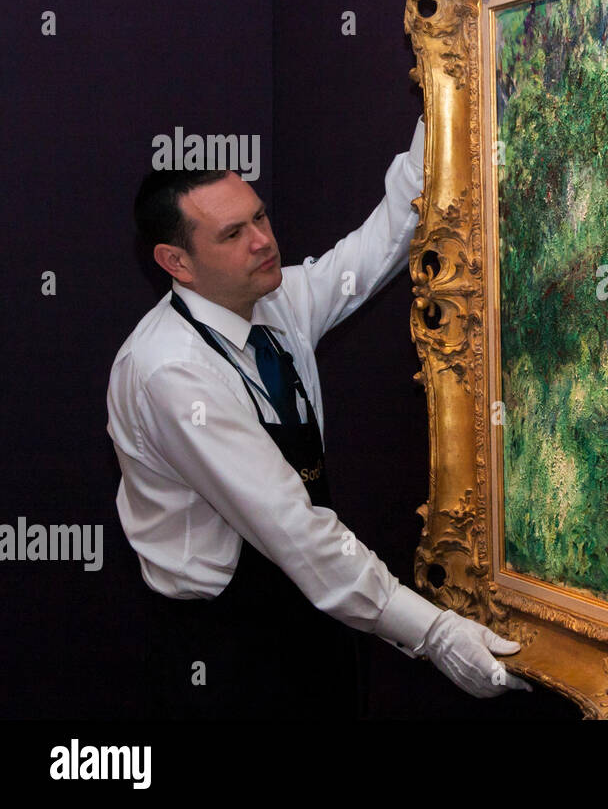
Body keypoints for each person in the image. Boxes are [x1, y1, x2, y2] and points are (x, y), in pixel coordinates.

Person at [108, 118, 530, 718]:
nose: (263, 241)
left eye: (260, 216)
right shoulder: (170, 372)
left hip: (315, 602)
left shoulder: (275, 299)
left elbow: (380, 240)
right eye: (233, 233)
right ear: (176, 260)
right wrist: (435, 633)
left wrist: (447, 97)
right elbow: (290, 525)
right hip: (224, 639)